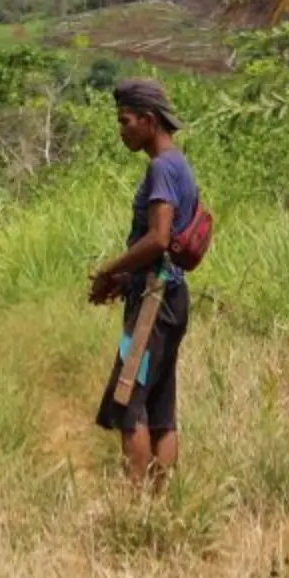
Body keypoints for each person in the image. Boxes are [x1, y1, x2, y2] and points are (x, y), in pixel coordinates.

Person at [87, 76, 198, 490]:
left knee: (129, 398)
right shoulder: (178, 164)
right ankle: (161, 503)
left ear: (149, 120)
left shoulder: (161, 168)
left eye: (125, 121)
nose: (122, 130)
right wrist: (124, 277)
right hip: (170, 296)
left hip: (154, 301)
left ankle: (137, 508)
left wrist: (108, 270)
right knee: (161, 404)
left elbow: (158, 238)